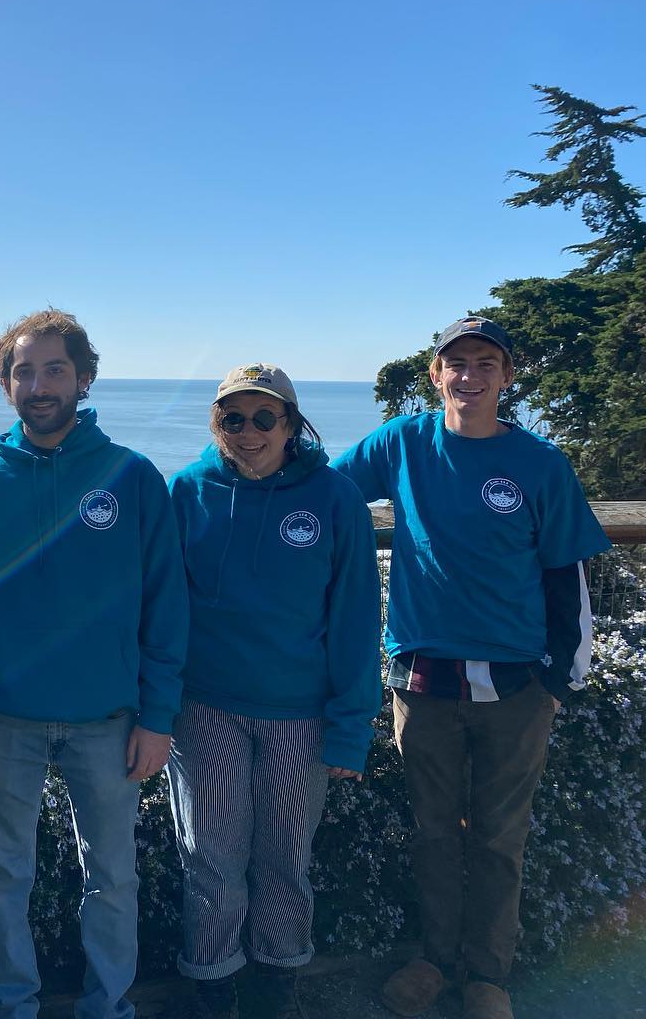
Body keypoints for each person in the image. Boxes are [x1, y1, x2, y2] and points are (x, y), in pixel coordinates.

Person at [333, 317, 609, 1019]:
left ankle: (488, 975)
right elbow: (324, 490)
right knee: (431, 831)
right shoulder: (402, 442)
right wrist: (230, 477)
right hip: (424, 683)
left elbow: (565, 576)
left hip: (517, 686)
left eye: (486, 363)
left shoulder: (540, 462)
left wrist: (557, 682)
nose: (470, 375)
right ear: (436, 374)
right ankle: (434, 959)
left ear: (506, 377)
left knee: (497, 837)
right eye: (456, 362)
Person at [0, 309, 189, 1019]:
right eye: (23, 371)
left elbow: (165, 607)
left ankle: (108, 1008)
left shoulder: (131, 477)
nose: (38, 385)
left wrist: (158, 716)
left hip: (108, 721)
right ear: (6, 384)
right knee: (0, 877)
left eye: (53, 370)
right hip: (2, 720)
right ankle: (12, 1007)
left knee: (113, 878)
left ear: (83, 378)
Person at [165, 363, 382, 1019]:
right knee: (209, 854)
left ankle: (276, 982)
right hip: (205, 708)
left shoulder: (335, 498)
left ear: (291, 423)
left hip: (300, 717)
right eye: (235, 418)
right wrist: (153, 706)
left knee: (285, 859)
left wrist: (350, 726)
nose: (250, 431)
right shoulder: (187, 490)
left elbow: (353, 620)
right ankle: (211, 984)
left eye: (266, 417)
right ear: (217, 423)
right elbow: (161, 609)